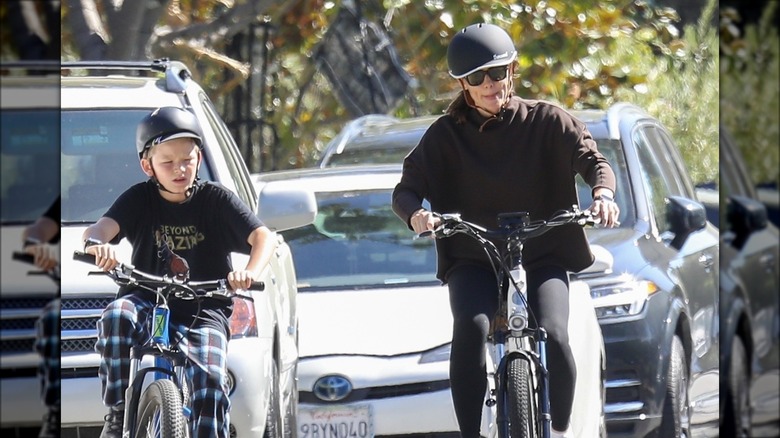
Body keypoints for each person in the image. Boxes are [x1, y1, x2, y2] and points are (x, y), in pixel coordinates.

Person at [391, 23, 620, 438]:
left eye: (497, 73)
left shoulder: (548, 121)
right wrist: (417, 216)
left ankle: (559, 425)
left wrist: (602, 194)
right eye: (477, 78)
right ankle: (471, 433)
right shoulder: (444, 137)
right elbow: (405, 191)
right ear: (463, 85)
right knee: (472, 326)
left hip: (543, 250)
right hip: (473, 256)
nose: (490, 84)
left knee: (553, 331)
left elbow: (594, 161)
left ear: (512, 71)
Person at [81, 106, 277, 438]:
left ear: (198, 159)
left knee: (211, 382)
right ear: (148, 166)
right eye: (168, 162)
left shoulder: (216, 200)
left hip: (204, 307)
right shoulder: (138, 199)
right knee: (116, 317)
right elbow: (97, 231)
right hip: (147, 299)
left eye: (186, 159)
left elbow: (263, 237)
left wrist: (249, 273)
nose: (179, 168)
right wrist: (98, 247)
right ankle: (116, 412)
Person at [22, 195, 61, 438]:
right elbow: (37, 230)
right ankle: (57, 411)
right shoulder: (68, 201)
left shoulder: (142, 199)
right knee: (53, 316)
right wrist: (37, 245)